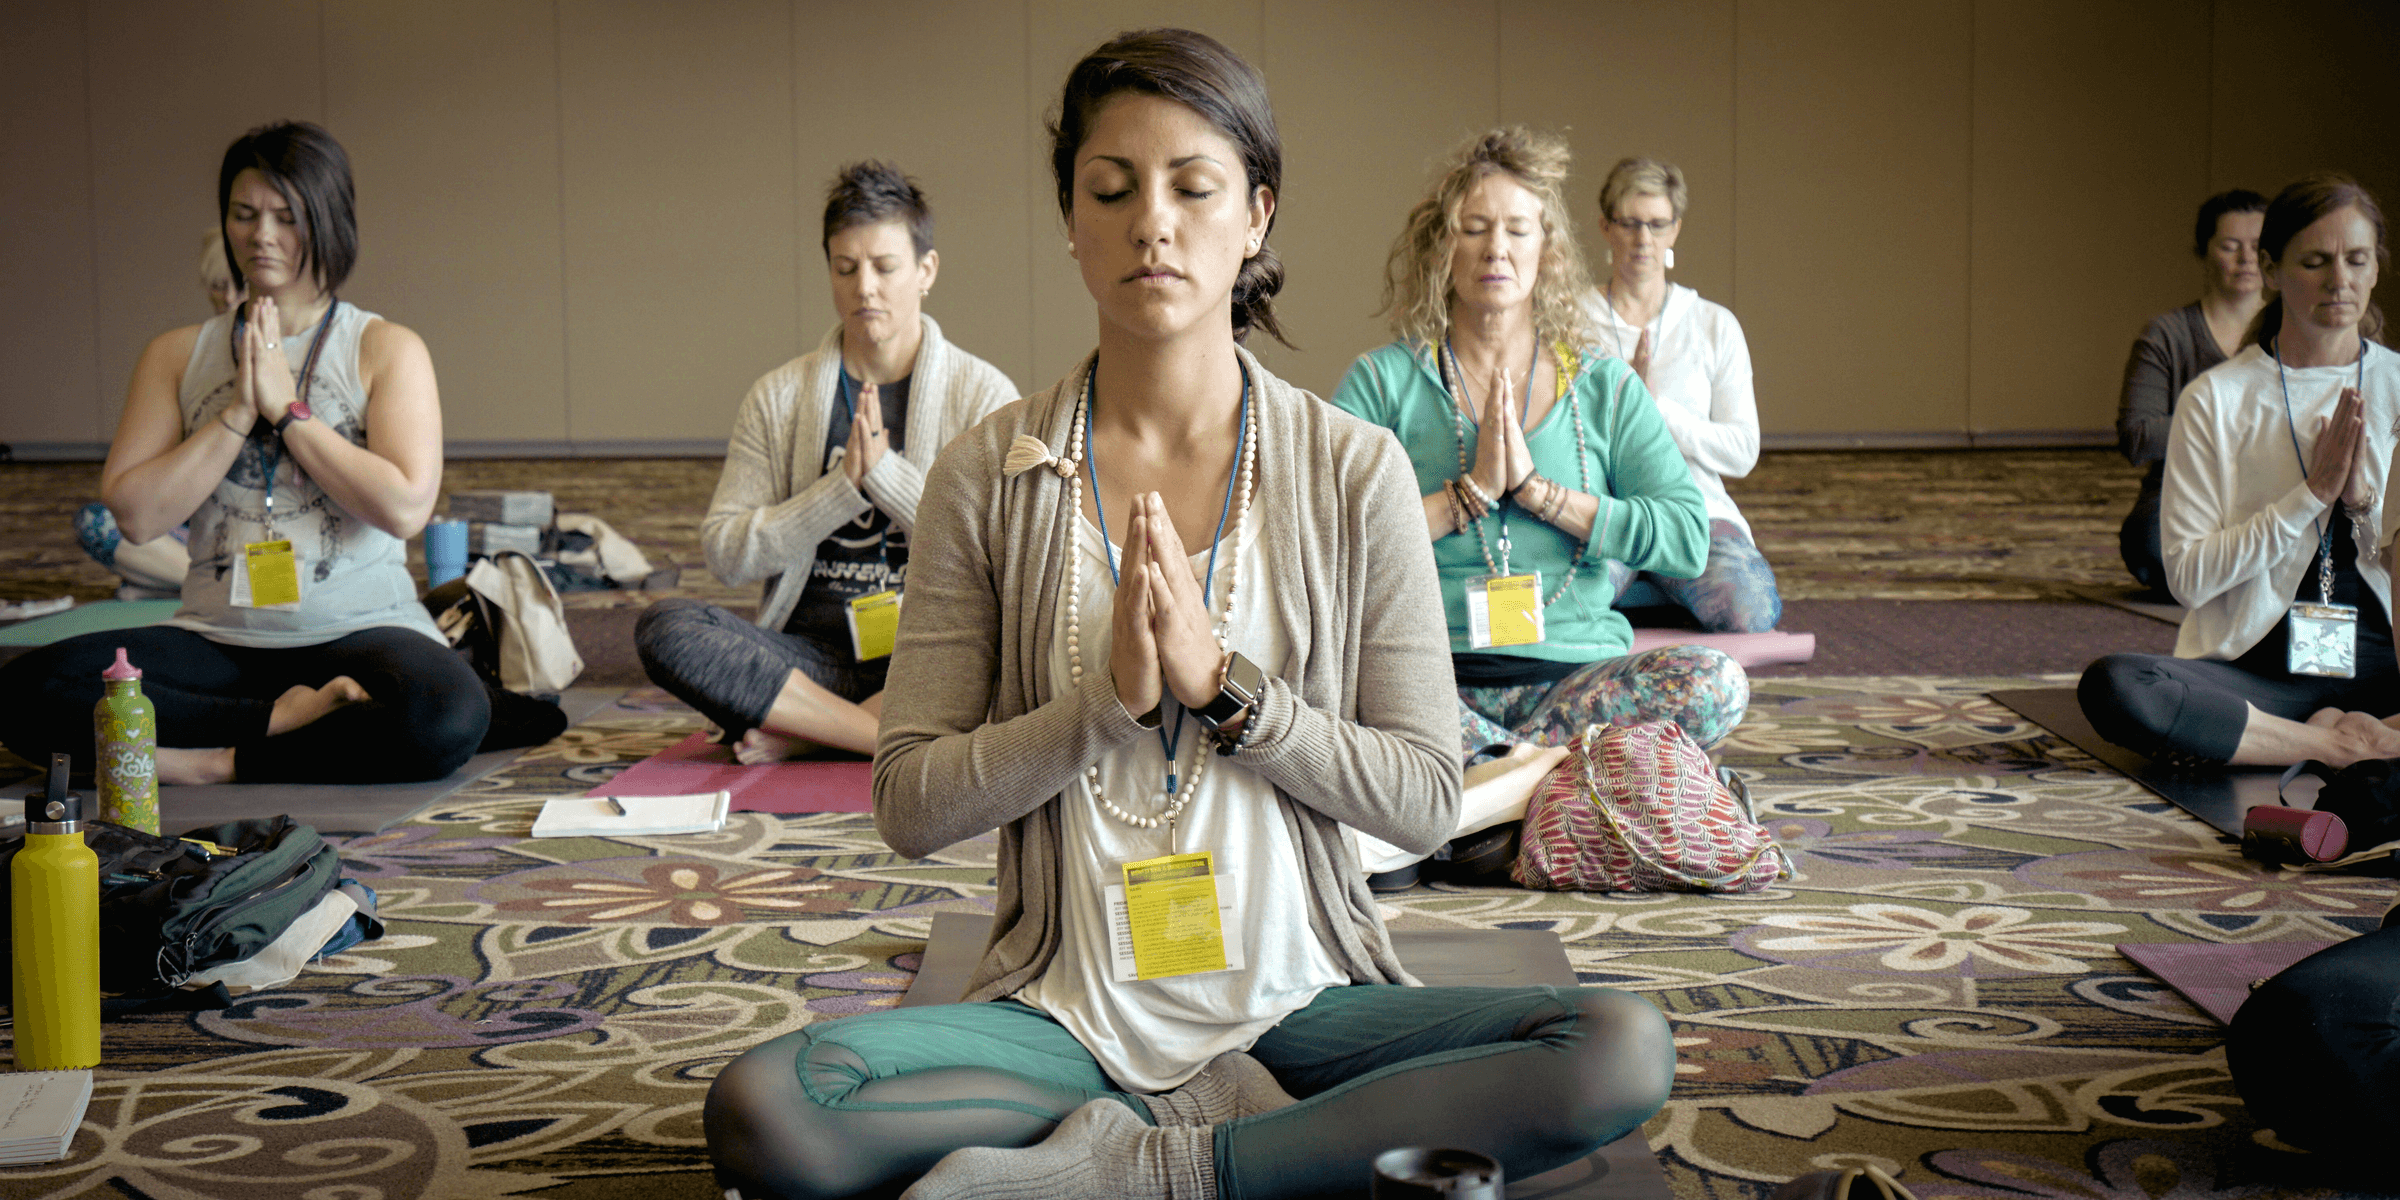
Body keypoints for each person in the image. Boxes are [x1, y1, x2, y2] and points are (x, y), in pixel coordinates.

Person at [701, 30, 1674, 1200]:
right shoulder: (983, 477)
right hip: (1068, 1016)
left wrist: (1232, 693)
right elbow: (909, 803)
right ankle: (1260, 1160)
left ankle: (1168, 1170)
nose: (1150, 223)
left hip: (1299, 1005)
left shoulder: (1351, 470)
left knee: (1617, 1048)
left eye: (1192, 187)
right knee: (770, 1109)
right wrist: (1100, 710)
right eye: (1110, 191)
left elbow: (1420, 797)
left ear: (1255, 215)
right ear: (1071, 219)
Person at [0, 121, 484, 784]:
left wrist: (288, 411)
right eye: (244, 214)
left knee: (446, 713)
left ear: (330, 222)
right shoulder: (176, 354)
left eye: (287, 217)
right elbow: (136, 516)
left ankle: (212, 761)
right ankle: (275, 723)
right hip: (217, 635)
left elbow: (404, 508)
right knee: (27, 689)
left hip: (362, 628)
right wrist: (235, 413)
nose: (262, 236)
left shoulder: (385, 348)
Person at [1329, 129, 1748, 763]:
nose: (1496, 247)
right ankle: (1556, 776)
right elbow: (1324, 540)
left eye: (1518, 229)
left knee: (1716, 684)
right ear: (1442, 245)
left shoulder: (1602, 384)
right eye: (1473, 227)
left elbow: (1687, 539)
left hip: (1573, 680)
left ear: (1546, 249)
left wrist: (1542, 496)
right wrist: (1467, 496)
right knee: (1321, 691)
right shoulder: (1384, 381)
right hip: (1430, 681)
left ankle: (1489, 776)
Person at [634, 162, 1018, 763]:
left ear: (926, 271)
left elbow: (1001, 555)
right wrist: (838, 492)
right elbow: (727, 552)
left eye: (885, 267)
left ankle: (807, 733)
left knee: (1020, 656)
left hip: (928, 654)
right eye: (846, 268)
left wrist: (886, 480)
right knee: (666, 630)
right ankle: (867, 734)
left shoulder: (982, 395)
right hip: (810, 662)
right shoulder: (778, 397)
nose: (865, 287)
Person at [2078, 173, 2396, 768]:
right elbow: (2190, 580)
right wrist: (2308, 497)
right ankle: (2335, 746)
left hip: (2386, 665)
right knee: (2120, 686)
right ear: (2273, 271)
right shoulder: (2216, 399)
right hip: (2263, 672)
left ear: (2376, 267)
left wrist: (2360, 507)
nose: (2340, 281)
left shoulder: (2397, 388)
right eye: (2316, 262)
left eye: (2356, 260)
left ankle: (2331, 733)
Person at [1581, 157, 1781, 632]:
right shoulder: (1570, 321)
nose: (1642, 238)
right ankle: (1651, 595)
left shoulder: (1713, 323)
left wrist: (1657, 414)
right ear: (1606, 227)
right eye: (1629, 223)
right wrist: (1618, 408)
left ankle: (1657, 590)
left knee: (1750, 612)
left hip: (1695, 514)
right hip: (1606, 511)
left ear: (1675, 230)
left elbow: (1742, 451)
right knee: (1548, 612)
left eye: (1657, 224)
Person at [2115, 189, 2270, 595]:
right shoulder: (2167, 335)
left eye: (2257, 247)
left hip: (2273, 487)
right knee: (2150, 544)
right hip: (2183, 490)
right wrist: (2238, 428)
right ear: (2205, 251)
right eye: (2230, 246)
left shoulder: (2293, 331)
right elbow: (2139, 436)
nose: (2246, 259)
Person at [76, 230, 245, 600]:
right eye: (219, 286)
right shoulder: (183, 355)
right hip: (191, 521)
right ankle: (212, 584)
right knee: (98, 522)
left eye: (239, 286)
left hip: (253, 527)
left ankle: (167, 580)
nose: (229, 298)